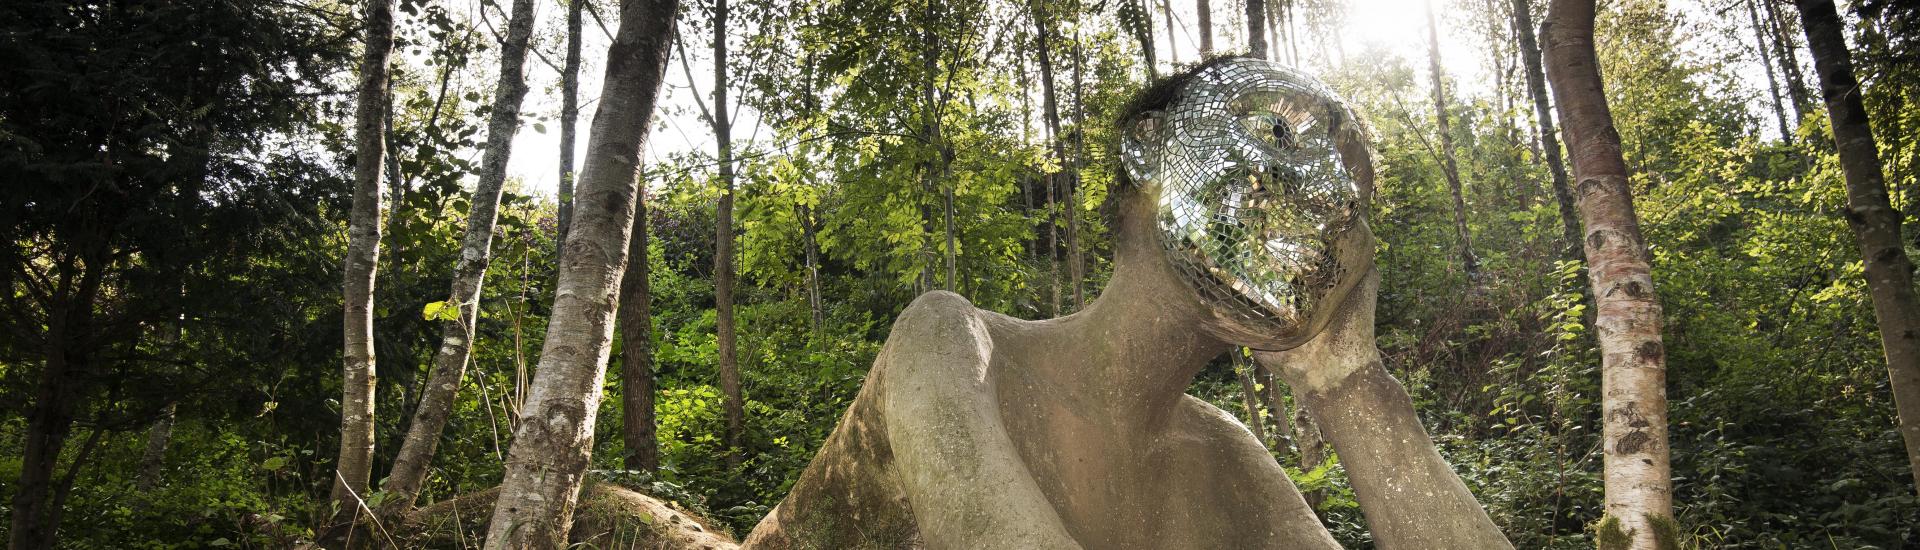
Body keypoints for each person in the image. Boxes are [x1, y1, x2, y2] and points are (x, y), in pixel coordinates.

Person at [741, 56, 1511, 550]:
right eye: (1279, 132)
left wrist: (1353, 386)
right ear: (1149, 145)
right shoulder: (956, 346)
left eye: (1354, 206)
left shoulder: (1228, 462)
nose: (1327, 202)